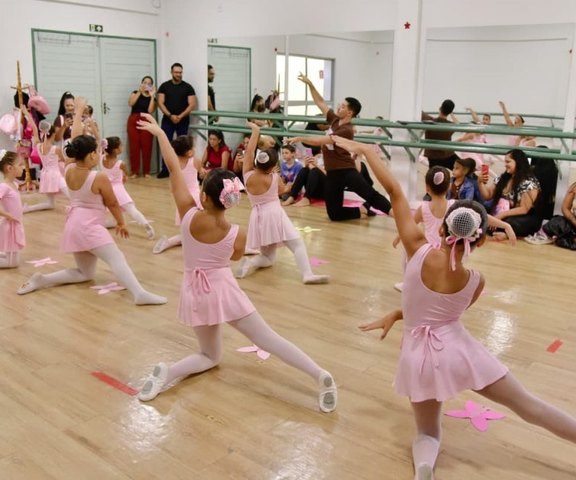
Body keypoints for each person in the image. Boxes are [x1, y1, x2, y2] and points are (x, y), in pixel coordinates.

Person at [335, 135, 576, 480]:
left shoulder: (417, 249)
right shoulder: (475, 280)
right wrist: (399, 313)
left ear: (441, 227)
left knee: (427, 434)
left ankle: (423, 471)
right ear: (481, 239)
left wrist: (366, 152)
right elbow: (444, 315)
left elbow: (394, 191)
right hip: (459, 351)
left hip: (419, 356)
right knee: (530, 406)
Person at [134, 113, 337, 413]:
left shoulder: (188, 215)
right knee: (267, 338)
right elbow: (235, 257)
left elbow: (175, 169)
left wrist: (161, 135)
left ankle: (169, 371)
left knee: (209, 355)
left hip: (195, 291)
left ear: (203, 195)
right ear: (231, 200)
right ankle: (320, 375)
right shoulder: (236, 234)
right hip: (223, 291)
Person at [16, 98, 166, 306]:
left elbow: (76, 136)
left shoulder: (68, 168)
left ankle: (42, 279)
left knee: (84, 273)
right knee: (117, 259)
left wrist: (78, 113)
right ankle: (139, 293)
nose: (98, 154)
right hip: (89, 226)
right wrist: (121, 223)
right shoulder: (98, 178)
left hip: (74, 225)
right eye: (95, 152)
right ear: (87, 156)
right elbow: (113, 203)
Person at [288, 73, 391, 221]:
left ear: (350, 112)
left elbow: (323, 140)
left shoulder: (347, 130)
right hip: (332, 173)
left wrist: (300, 137)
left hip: (346, 170)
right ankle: (360, 209)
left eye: (342, 106)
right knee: (334, 215)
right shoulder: (335, 120)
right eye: (339, 105)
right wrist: (310, 84)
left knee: (369, 194)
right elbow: (320, 102)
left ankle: (394, 212)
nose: (338, 107)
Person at [235, 122, 329, 284]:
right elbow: (282, 191)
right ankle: (307, 274)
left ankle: (251, 262)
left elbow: (249, 151)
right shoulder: (274, 178)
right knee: (297, 244)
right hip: (274, 214)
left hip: (257, 216)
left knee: (268, 257)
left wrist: (255, 131)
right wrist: (289, 187)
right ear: (272, 166)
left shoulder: (248, 174)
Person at [152, 135, 205, 254]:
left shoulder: (174, 163)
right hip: (195, 196)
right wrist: (203, 173)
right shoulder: (195, 160)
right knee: (193, 232)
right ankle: (169, 242)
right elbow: (201, 173)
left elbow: (172, 182)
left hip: (181, 197)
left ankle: (169, 242)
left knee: (187, 228)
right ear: (190, 152)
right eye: (194, 147)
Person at [100, 136, 155, 239]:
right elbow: (126, 176)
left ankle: (107, 223)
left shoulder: (101, 158)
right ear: (116, 149)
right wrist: (124, 177)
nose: (122, 146)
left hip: (107, 190)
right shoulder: (121, 164)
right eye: (120, 145)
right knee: (132, 210)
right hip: (118, 190)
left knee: (112, 208)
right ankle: (146, 225)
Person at [478, 149, 542, 238]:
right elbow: (488, 196)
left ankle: (505, 233)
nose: (505, 165)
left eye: (508, 162)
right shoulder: (503, 178)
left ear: (518, 162)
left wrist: (500, 215)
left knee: (510, 222)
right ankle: (498, 229)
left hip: (522, 217)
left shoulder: (529, 182)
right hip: (502, 213)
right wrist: (480, 182)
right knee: (480, 210)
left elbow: (524, 209)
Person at [0, 150, 25, 269]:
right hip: (9, 225)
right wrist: (7, 215)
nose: (23, 167)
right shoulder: (4, 187)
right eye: (20, 165)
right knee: (12, 263)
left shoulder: (14, 184)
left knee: (8, 255)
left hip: (14, 223)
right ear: (9, 168)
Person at [22, 116, 70, 213]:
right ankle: (76, 209)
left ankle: (28, 208)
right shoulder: (55, 149)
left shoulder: (38, 146)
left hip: (45, 175)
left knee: (50, 204)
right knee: (73, 197)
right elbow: (64, 160)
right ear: (53, 134)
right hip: (55, 176)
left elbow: (35, 129)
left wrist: (27, 114)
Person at [157, 63, 197, 178]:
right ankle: (165, 169)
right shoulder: (164, 86)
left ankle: (183, 169)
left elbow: (192, 104)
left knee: (183, 145)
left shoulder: (188, 87)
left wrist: (180, 116)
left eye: (180, 72)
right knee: (166, 144)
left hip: (183, 120)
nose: (178, 74)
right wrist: (170, 116)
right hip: (167, 120)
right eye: (176, 72)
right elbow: (160, 102)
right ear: (171, 72)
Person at [127, 75, 157, 178]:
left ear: (152, 86)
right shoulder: (135, 93)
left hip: (146, 120)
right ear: (141, 83)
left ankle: (146, 171)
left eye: (149, 83)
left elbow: (150, 110)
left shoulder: (152, 97)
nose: (146, 85)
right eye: (144, 82)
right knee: (134, 146)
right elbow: (131, 103)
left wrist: (152, 96)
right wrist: (140, 92)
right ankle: (134, 171)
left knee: (147, 146)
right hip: (133, 119)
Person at [421, 100, 459, 170]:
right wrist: (452, 114)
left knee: (433, 177)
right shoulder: (451, 126)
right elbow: (458, 123)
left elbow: (420, 112)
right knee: (464, 168)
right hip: (448, 155)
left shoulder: (430, 121)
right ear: (450, 112)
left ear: (440, 108)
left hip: (433, 157)